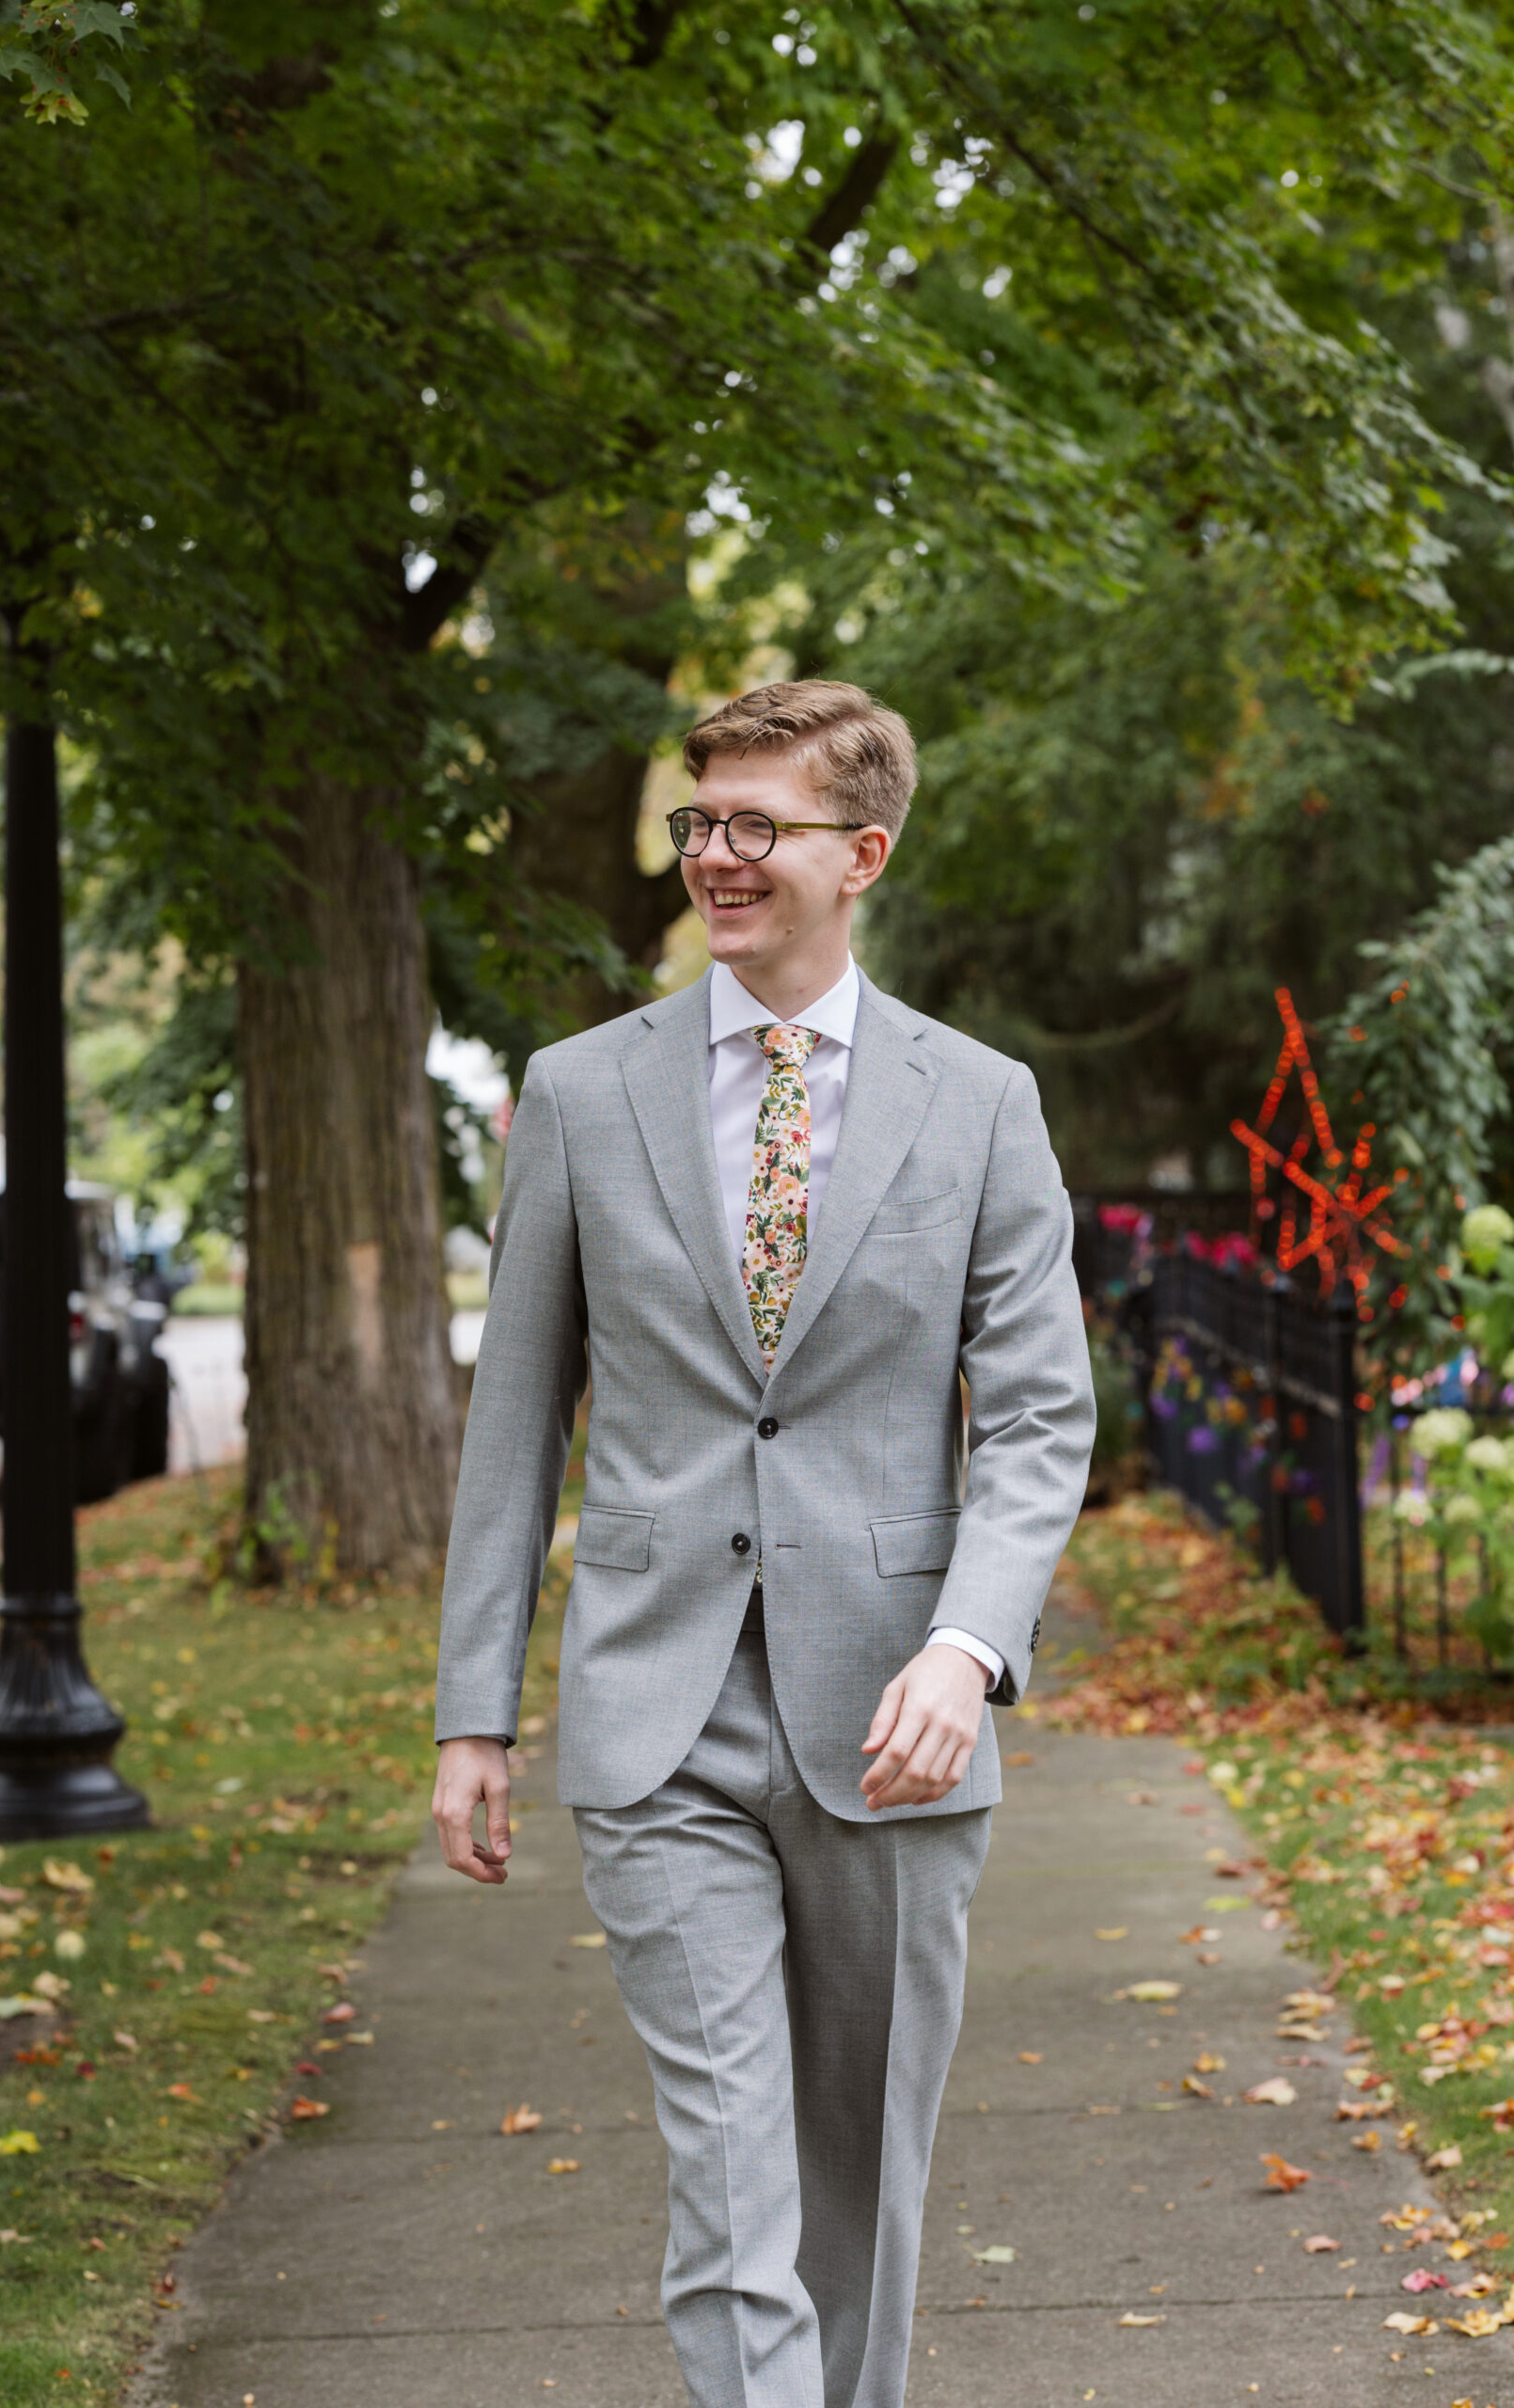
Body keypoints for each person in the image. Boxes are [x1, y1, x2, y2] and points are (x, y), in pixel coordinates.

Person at [433, 679, 1095, 2408]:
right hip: (656, 1714)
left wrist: (968, 1646)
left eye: (756, 828)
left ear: (860, 854)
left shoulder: (982, 1104)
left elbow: (1037, 1417)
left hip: (893, 1717)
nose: (716, 859)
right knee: (731, 2184)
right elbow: (518, 1415)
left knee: (858, 2185)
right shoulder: (582, 1094)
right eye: (697, 824)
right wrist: (472, 1714)